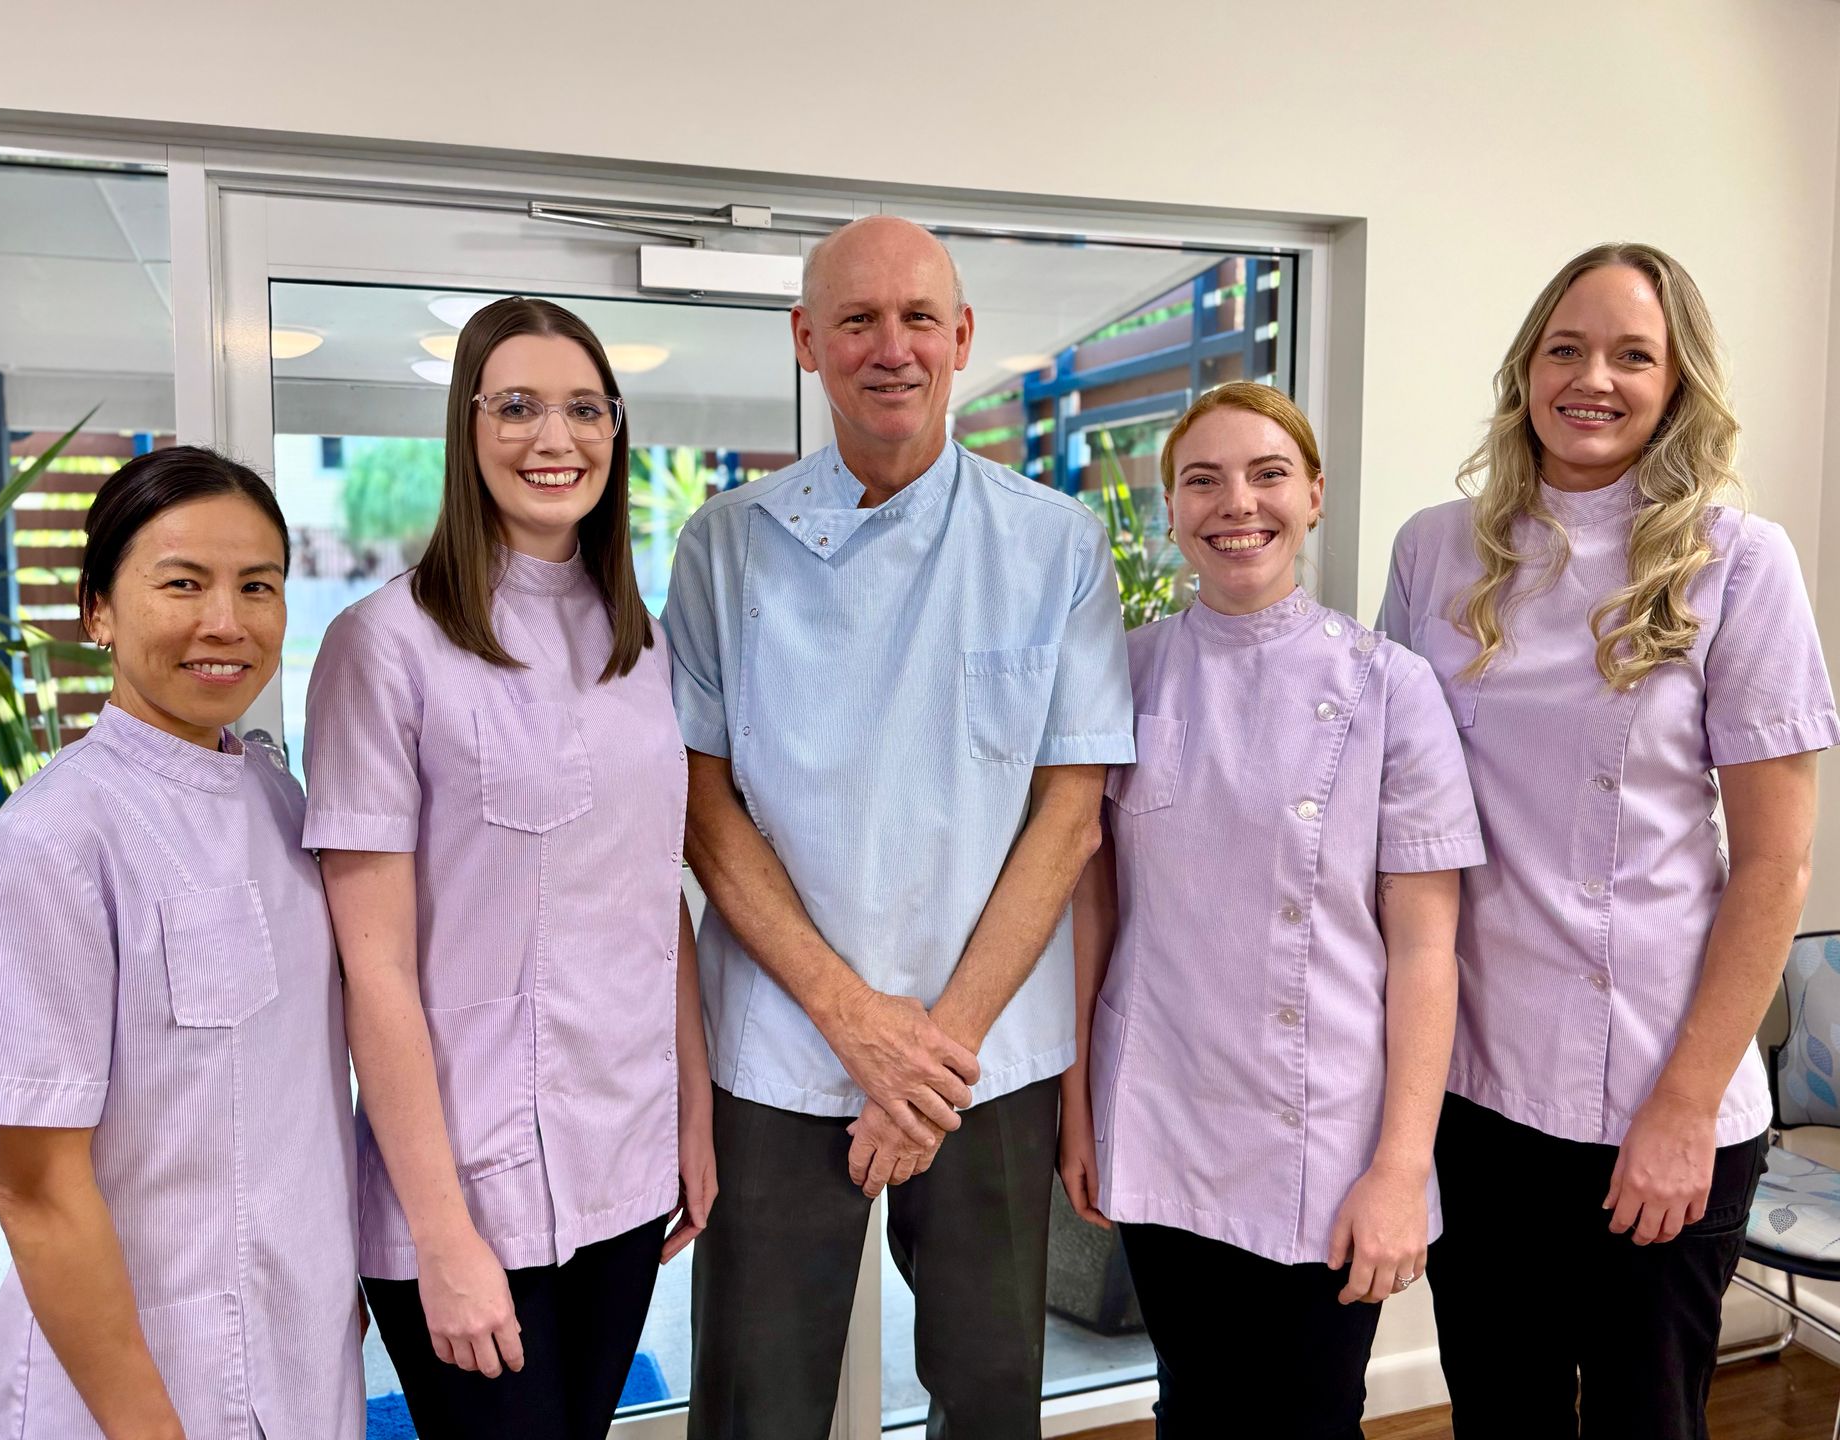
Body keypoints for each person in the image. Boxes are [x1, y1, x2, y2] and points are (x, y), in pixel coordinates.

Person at [665, 214, 1135, 1439]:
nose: (892, 347)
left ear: (963, 336)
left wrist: (929, 1054)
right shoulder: (726, 545)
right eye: (857, 320)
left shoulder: (1055, 545)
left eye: (920, 317)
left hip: (987, 1054)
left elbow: (1068, 818)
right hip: (780, 1042)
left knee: (988, 1397)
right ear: (805, 341)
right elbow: (702, 810)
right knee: (754, 1405)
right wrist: (857, 1024)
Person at [1381, 242, 1839, 1436]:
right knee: (1500, 1415)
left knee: (1647, 1422)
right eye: (1566, 348)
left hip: (1655, 1088)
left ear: (1678, 382)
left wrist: (1684, 1112)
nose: (1595, 378)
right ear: (1525, 369)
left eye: (1635, 354)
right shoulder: (1435, 548)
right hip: (1475, 1094)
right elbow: (1395, 808)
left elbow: (1778, 866)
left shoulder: (1740, 563)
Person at [302, 296, 714, 1439]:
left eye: (586, 409)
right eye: (518, 406)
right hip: (467, 1190)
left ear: (617, 433)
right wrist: (440, 1239)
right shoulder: (381, 648)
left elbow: (652, 900)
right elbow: (371, 971)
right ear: (466, 426)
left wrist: (691, 1118)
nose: (555, 438)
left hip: (624, 1169)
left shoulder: (642, 646)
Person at [1056, 383, 1481, 1438]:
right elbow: (1092, 913)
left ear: (1315, 497)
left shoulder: (1392, 687)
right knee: (1191, 1405)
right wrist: (1078, 1104)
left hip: (1327, 1134)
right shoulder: (1130, 670)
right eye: (1202, 480)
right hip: (1160, 1111)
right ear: (1170, 510)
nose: (1235, 503)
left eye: (1267, 474)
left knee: (1311, 1413)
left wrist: (1399, 1166)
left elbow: (1427, 948)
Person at [0, 447, 361, 1439]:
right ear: (99, 612)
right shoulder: (52, 841)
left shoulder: (281, 805)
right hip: (135, 1399)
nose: (227, 622)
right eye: (183, 584)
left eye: (257, 586)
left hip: (301, 1370)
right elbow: (38, 1196)